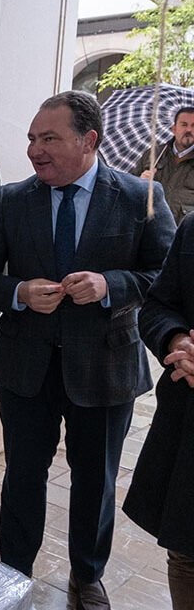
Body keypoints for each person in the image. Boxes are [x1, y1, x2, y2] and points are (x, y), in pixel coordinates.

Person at [0, 91, 175, 610]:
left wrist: (110, 285)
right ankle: (13, 573)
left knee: (95, 480)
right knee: (22, 476)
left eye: (48, 138)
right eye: (32, 138)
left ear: (89, 140)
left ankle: (87, 576)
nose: (35, 149)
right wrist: (17, 293)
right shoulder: (11, 199)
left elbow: (166, 278)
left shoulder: (139, 198)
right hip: (26, 366)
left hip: (103, 366)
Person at [124, 215, 194, 610]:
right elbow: (158, 305)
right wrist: (178, 339)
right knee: (185, 551)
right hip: (186, 423)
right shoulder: (192, 228)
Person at [133, 106, 194, 225]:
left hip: (182, 236)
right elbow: (127, 190)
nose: (188, 130)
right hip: (148, 230)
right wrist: (138, 183)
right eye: (184, 124)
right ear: (174, 129)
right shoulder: (153, 155)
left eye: (193, 126)